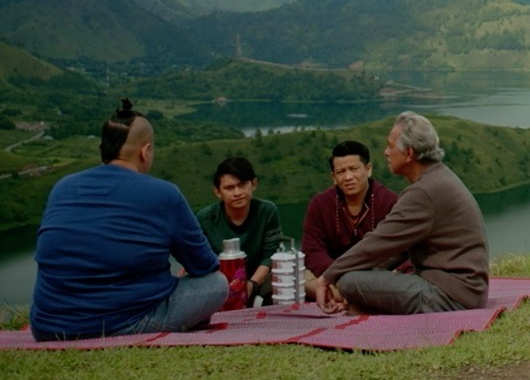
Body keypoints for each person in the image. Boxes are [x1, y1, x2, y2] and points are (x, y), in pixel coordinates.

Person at [29, 100, 227, 340]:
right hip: (123, 323)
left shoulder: (63, 187)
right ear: (145, 152)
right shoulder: (164, 194)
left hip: (49, 327)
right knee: (217, 284)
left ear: (103, 148)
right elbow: (204, 266)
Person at [315, 112, 489, 315]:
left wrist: (328, 277)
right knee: (355, 275)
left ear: (409, 153)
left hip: (450, 295)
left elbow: (379, 242)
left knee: (348, 281)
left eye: (390, 145)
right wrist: (361, 269)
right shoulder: (438, 178)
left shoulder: (423, 192)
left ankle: (361, 307)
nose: (386, 152)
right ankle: (361, 306)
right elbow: (398, 248)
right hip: (465, 291)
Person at [301, 139, 403, 300]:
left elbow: (404, 250)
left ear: (368, 169)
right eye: (341, 172)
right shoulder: (320, 204)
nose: (348, 177)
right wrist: (339, 274)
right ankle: (354, 298)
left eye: (354, 169)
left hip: (377, 278)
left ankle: (349, 298)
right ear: (334, 177)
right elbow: (312, 251)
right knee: (301, 278)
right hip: (332, 278)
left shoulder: (390, 202)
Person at [196, 156, 284, 307]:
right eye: (229, 188)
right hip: (220, 284)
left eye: (242, 185)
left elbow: (270, 255)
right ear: (218, 191)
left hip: (259, 280)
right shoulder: (206, 218)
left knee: (283, 278)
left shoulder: (267, 211)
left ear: (253, 184)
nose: (237, 192)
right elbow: (202, 259)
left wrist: (250, 284)